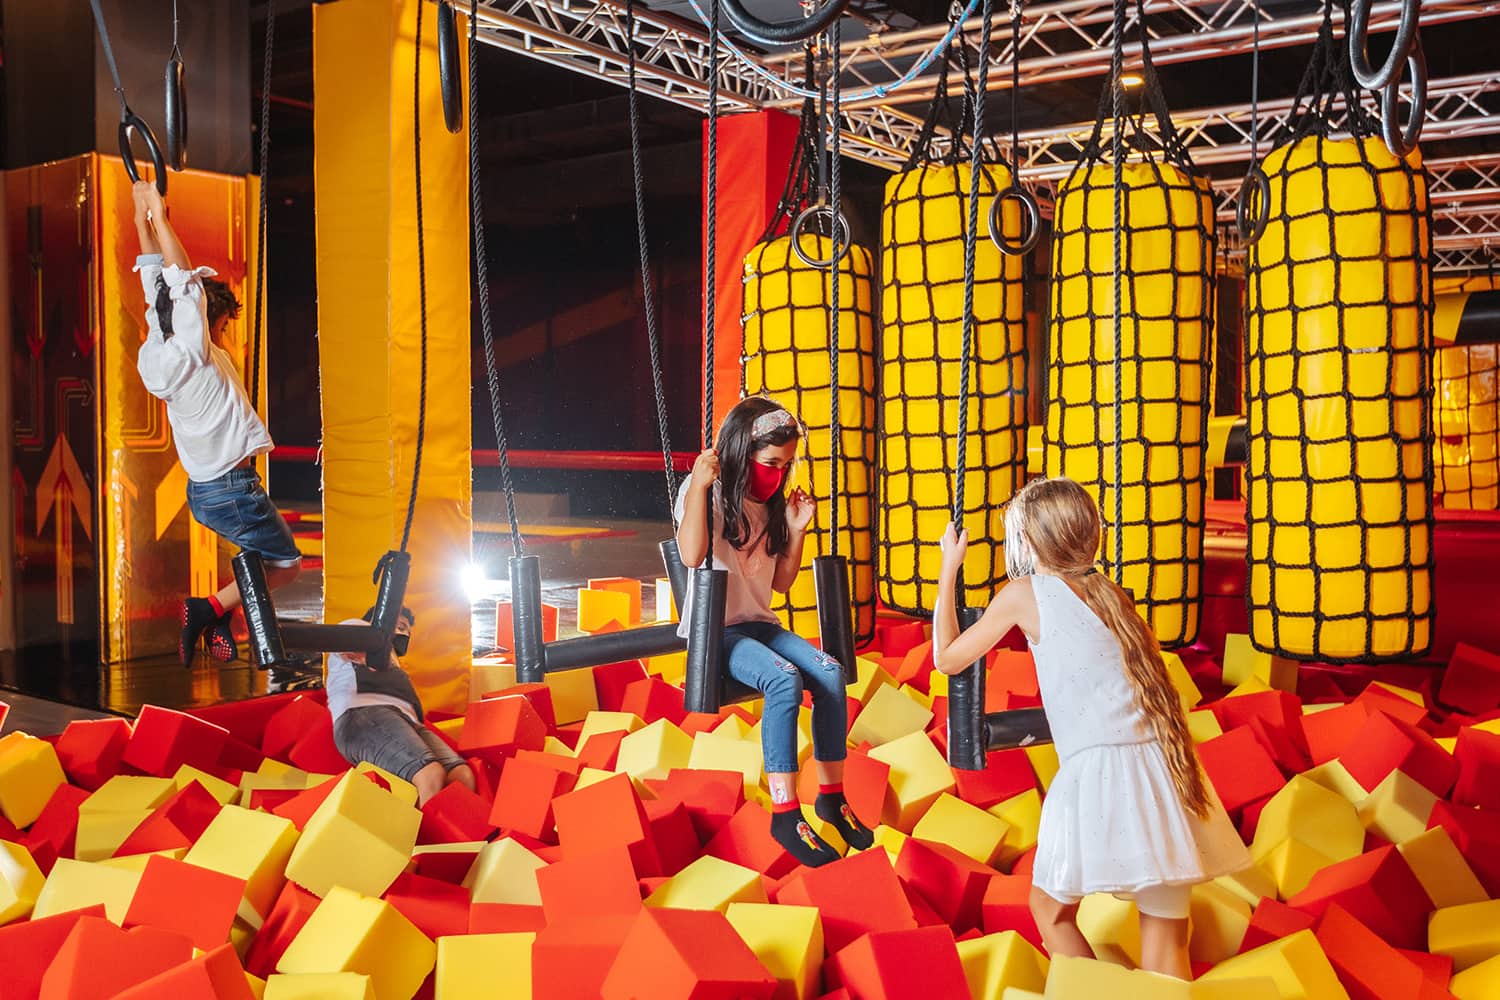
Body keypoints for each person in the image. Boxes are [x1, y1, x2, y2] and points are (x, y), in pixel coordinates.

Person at [931, 477, 1250, 980]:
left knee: (1050, 910)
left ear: (1032, 541)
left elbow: (948, 659)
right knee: (1166, 941)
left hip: (1101, 773)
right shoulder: (1111, 593)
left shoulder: (1025, 593)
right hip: (1163, 772)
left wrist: (949, 569)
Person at [675, 395, 873, 868]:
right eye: (770, 463)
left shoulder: (771, 507)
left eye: (785, 466)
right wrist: (701, 487)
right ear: (742, 454)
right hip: (716, 632)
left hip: (759, 624)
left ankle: (831, 795)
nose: (778, 474)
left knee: (828, 672)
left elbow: (781, 584)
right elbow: (690, 555)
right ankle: (786, 811)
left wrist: (798, 529)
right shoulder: (704, 491)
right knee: (784, 680)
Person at [132, 181, 302, 669]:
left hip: (214, 489)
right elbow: (181, 280)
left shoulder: (162, 344)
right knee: (285, 566)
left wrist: (140, 218)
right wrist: (161, 220)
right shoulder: (194, 351)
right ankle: (205, 610)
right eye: (220, 326)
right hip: (231, 489)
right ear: (206, 323)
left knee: (256, 565)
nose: (222, 336)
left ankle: (220, 617)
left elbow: (156, 284)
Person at [326, 606, 476, 805]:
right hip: (363, 713)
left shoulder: (392, 658)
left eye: (405, 629)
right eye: (398, 625)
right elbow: (345, 644)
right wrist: (361, 651)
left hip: (404, 720)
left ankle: (457, 830)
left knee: (460, 774)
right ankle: (428, 836)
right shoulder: (358, 626)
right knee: (430, 773)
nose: (402, 632)